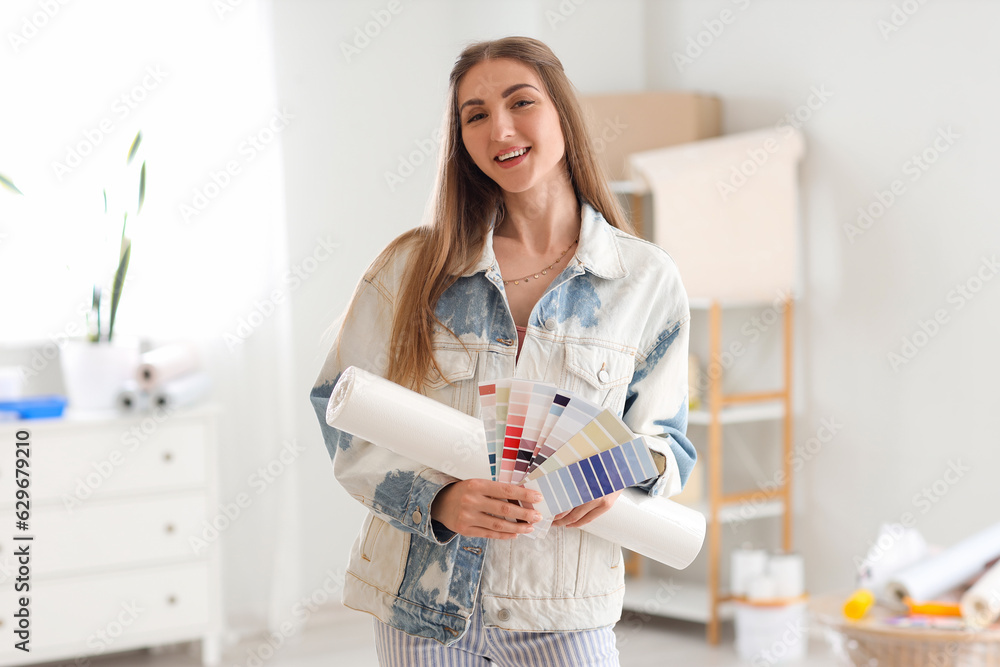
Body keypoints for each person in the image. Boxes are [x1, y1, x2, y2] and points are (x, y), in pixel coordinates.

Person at [309, 36, 696, 666]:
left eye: (522, 102)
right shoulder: (412, 268)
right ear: (460, 139)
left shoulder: (645, 280)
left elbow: (667, 442)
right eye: (476, 114)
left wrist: (620, 473)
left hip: (565, 608)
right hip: (422, 608)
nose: (502, 128)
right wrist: (436, 501)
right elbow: (339, 407)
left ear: (562, 114)